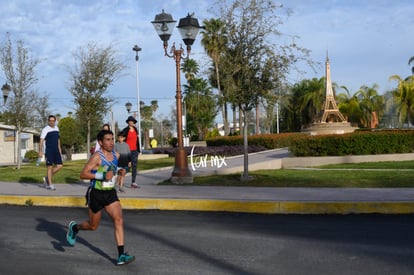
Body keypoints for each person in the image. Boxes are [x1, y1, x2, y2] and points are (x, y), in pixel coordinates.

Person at [66, 129, 135, 266]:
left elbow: (114, 169)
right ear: (100, 142)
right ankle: (75, 228)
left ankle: (121, 255)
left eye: (112, 139)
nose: (111, 143)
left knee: (119, 220)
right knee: (93, 226)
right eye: (107, 140)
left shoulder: (116, 154)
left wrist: (121, 170)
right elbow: (83, 174)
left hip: (110, 193)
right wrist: (102, 176)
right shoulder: (97, 157)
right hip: (96, 194)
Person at [39, 115, 63, 190]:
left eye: (53, 121)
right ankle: (50, 184)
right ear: (48, 121)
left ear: (55, 121)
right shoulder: (45, 129)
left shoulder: (57, 128)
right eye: (50, 121)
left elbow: (58, 140)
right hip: (49, 151)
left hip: (56, 150)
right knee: (50, 167)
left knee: (60, 166)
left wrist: (60, 149)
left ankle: (47, 178)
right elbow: (41, 141)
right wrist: (40, 151)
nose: (52, 122)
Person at [121, 116, 141, 188]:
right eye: (130, 121)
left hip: (135, 151)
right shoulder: (125, 130)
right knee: (127, 167)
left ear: (134, 122)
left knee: (134, 167)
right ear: (128, 122)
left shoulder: (135, 129)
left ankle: (133, 182)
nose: (131, 122)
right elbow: (121, 139)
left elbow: (137, 140)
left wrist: (138, 150)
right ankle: (120, 181)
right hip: (127, 151)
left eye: (132, 121)